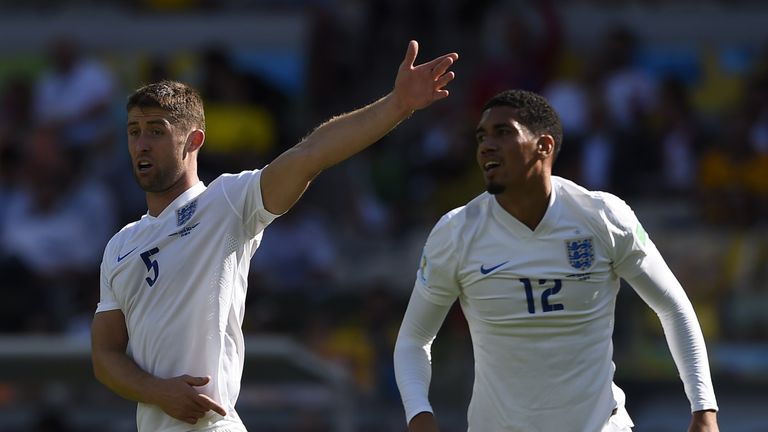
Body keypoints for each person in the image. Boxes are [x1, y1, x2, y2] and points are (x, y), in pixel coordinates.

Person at [90, 40, 457, 432]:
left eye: (155, 131)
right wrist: (158, 391)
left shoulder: (226, 203)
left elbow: (311, 153)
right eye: (133, 131)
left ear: (194, 141)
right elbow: (105, 356)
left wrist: (396, 104)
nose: (141, 144)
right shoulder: (120, 246)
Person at [393, 89, 719, 432]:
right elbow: (413, 339)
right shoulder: (455, 233)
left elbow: (673, 307)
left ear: (544, 146)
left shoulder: (602, 217)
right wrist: (419, 415)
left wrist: (704, 409)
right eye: (481, 137)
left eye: (503, 133)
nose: (486, 146)